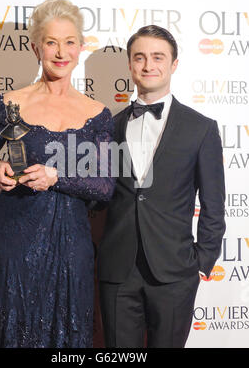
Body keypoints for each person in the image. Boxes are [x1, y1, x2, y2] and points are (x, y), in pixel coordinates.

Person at [0, 0, 115, 348]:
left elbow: (106, 187)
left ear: (80, 47)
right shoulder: (10, 105)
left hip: (71, 245)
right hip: (15, 239)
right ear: (36, 48)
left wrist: (56, 177)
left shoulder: (99, 115)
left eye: (68, 42)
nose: (60, 52)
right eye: (51, 42)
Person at [97, 25, 226, 348]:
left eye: (158, 57)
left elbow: (214, 204)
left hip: (176, 273)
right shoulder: (108, 127)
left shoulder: (201, 129)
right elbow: (96, 196)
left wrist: (202, 262)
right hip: (117, 271)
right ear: (129, 65)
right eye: (139, 57)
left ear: (174, 64)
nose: (148, 65)